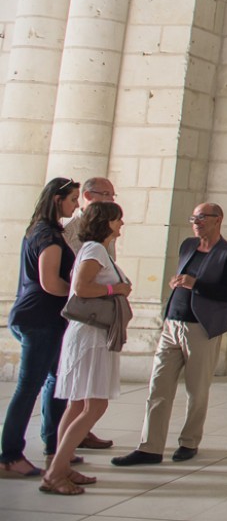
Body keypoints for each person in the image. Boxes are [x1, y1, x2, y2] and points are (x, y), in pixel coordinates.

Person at [111, 203, 227, 467]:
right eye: (194, 217)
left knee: (197, 389)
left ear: (218, 220)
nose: (196, 222)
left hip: (201, 327)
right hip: (172, 323)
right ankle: (150, 447)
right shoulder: (188, 246)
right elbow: (184, 275)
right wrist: (178, 282)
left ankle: (189, 441)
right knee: (158, 385)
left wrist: (196, 285)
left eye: (202, 217)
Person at [43, 200, 132, 496]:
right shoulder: (95, 250)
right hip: (91, 337)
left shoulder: (97, 250)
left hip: (91, 336)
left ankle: (62, 464)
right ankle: (55, 472)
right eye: (117, 219)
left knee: (78, 404)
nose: (121, 224)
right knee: (95, 404)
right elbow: (82, 288)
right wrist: (114, 289)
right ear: (106, 222)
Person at [2, 177, 80, 478]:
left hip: (42, 316)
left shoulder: (42, 230)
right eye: (72, 199)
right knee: (29, 387)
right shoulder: (46, 233)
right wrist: (82, 294)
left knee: (54, 381)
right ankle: (9, 455)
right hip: (40, 316)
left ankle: (54, 446)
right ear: (57, 199)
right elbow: (51, 282)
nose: (75, 206)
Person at [62, 178, 116, 256]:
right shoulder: (68, 230)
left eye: (113, 195)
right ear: (87, 195)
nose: (112, 200)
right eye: (106, 194)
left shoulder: (108, 228)